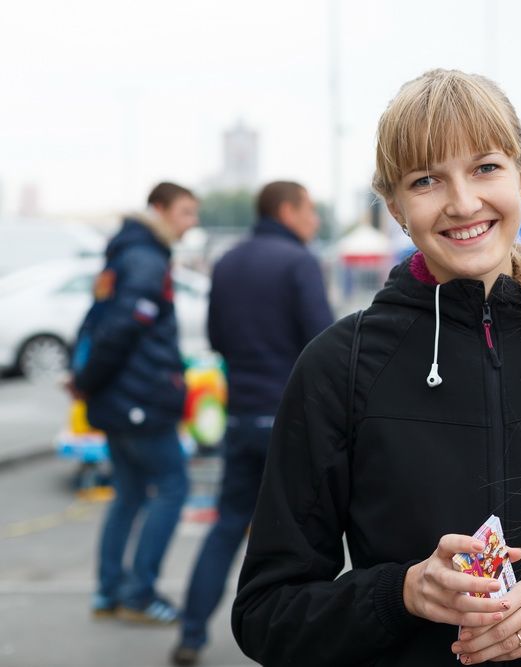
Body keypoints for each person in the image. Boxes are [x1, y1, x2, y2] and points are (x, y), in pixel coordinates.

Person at [231, 69, 521, 666]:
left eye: (485, 167)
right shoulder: (339, 367)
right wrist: (399, 594)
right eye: (426, 180)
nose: (462, 203)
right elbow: (266, 613)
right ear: (396, 208)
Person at [170, 182, 335, 666]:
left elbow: (216, 335)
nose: (315, 220)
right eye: (309, 210)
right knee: (304, 540)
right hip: (291, 420)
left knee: (226, 525)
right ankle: (300, 647)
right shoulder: (299, 262)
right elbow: (324, 343)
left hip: (241, 414)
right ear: (286, 210)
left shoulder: (227, 261)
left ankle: (191, 634)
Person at [69, 182, 199, 625]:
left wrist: (86, 381)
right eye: (185, 212)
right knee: (173, 488)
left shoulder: (125, 252)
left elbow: (97, 322)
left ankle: (108, 592)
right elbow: (120, 329)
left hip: (118, 398)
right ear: (159, 209)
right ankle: (139, 593)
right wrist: (86, 380)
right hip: (141, 399)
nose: (191, 223)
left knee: (128, 493)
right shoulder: (146, 258)